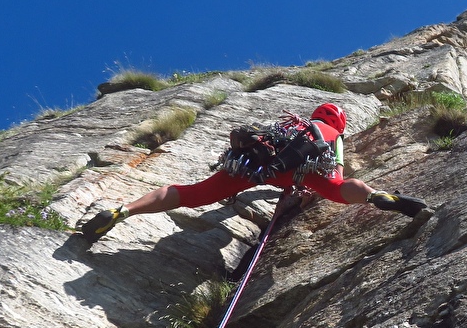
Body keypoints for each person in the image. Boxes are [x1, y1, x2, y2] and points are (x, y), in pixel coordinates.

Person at [78, 102, 427, 243]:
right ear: (339, 123)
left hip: (254, 166)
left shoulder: (292, 124)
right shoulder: (331, 135)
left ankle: (124, 210)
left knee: (191, 193)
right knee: (339, 187)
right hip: (304, 172)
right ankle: (376, 196)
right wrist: (310, 184)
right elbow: (334, 171)